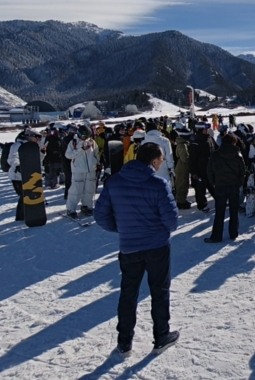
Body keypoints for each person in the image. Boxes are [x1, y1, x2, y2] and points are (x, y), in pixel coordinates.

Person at [94, 142, 180, 356]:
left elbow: (101, 215)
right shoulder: (158, 184)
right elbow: (171, 221)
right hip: (157, 246)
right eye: (161, 160)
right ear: (154, 161)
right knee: (159, 292)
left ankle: (124, 343)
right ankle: (161, 336)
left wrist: (123, 228)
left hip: (129, 247)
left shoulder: (115, 182)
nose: (161, 164)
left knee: (128, 293)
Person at [205, 133, 246, 243]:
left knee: (219, 212)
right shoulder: (237, 154)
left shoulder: (215, 154)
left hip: (220, 186)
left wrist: (214, 182)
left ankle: (216, 236)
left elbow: (209, 170)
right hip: (234, 186)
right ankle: (233, 233)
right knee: (234, 211)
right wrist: (239, 183)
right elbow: (243, 171)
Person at [65, 125, 99, 220]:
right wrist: (81, 149)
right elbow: (68, 155)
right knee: (76, 191)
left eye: (87, 136)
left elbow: (96, 154)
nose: (85, 138)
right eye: (84, 136)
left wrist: (97, 163)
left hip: (91, 170)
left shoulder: (92, 142)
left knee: (89, 190)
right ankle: (71, 209)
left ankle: (87, 206)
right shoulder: (74, 142)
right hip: (78, 170)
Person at [7, 129, 42, 221]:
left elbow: (37, 159)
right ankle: (21, 216)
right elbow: (12, 158)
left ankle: (30, 213)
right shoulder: (18, 145)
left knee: (30, 194)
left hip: (30, 174)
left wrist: (42, 153)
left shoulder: (34, 146)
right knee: (24, 195)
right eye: (37, 137)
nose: (38, 140)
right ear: (30, 136)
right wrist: (18, 166)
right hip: (17, 176)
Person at [189, 123, 215, 212]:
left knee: (213, 185)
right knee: (200, 189)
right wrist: (193, 172)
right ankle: (202, 205)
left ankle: (219, 200)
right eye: (205, 129)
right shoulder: (196, 141)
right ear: (200, 130)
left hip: (210, 167)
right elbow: (192, 158)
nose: (207, 130)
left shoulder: (210, 138)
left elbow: (216, 150)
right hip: (200, 169)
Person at [173, 122, 192, 209]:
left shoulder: (183, 144)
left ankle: (182, 199)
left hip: (182, 167)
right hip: (182, 168)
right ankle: (181, 202)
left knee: (184, 184)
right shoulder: (182, 145)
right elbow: (185, 158)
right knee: (182, 185)